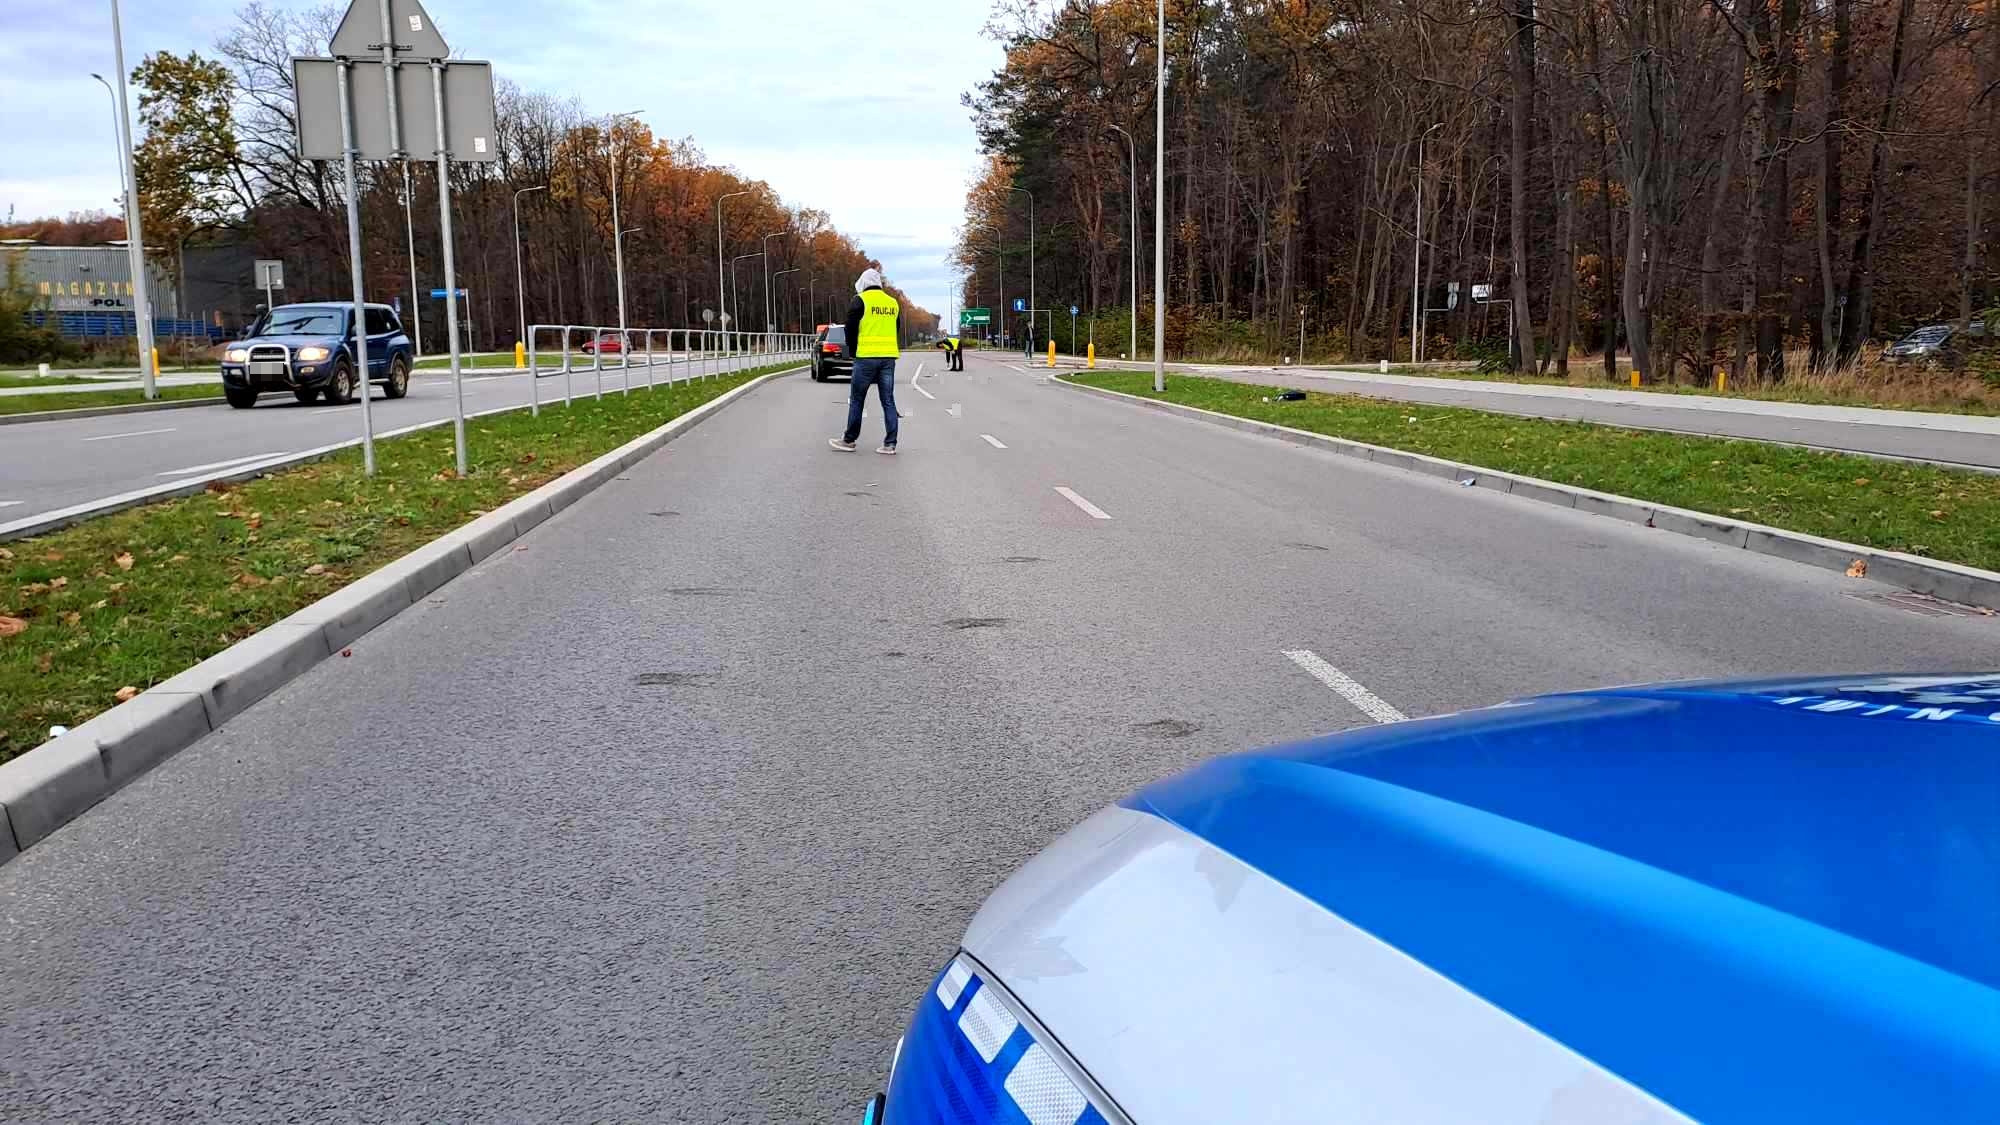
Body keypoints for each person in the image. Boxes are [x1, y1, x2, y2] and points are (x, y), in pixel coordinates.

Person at [830, 267, 901, 455]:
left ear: (863, 283)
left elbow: (850, 330)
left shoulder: (860, 300)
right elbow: (897, 328)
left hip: (866, 358)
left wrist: (852, 351)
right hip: (888, 358)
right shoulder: (892, 303)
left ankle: (849, 440)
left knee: (857, 399)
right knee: (888, 400)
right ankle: (890, 444)